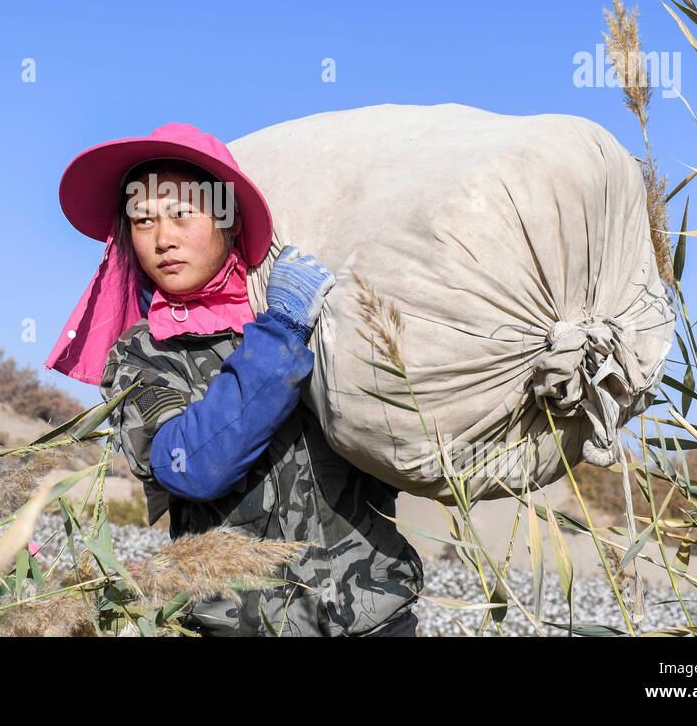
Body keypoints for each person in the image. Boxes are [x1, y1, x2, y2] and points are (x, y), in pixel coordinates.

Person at [46, 122, 424, 636]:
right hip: (238, 625)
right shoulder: (143, 355)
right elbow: (192, 468)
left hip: (374, 616)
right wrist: (280, 333)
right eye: (142, 221)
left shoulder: (312, 311)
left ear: (229, 220)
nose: (162, 239)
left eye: (182, 213)